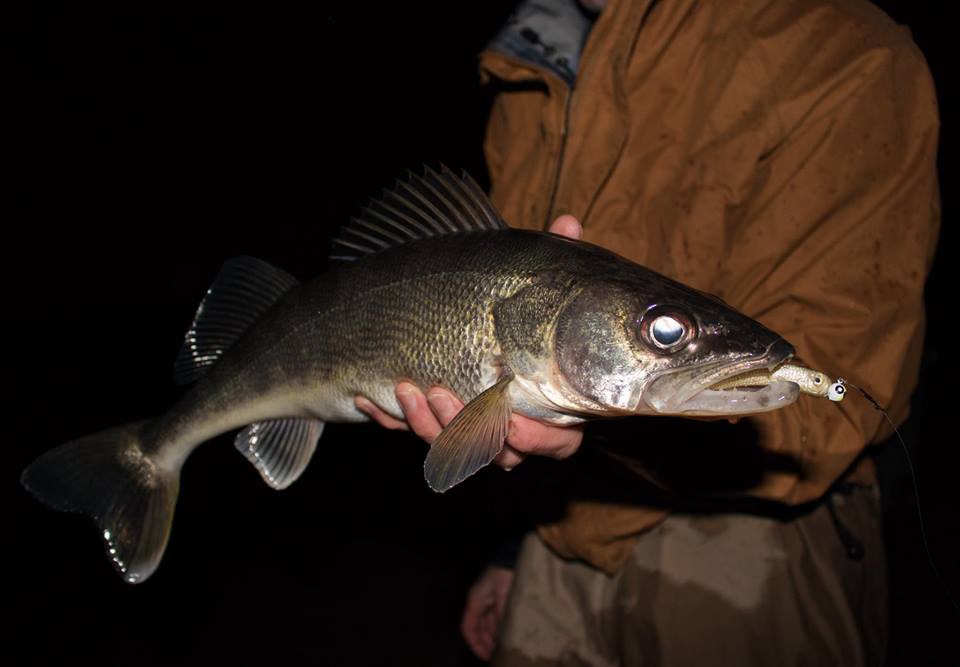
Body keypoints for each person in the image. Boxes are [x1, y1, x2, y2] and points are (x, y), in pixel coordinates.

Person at [358, 0, 940, 664]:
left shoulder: (843, 49)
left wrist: (590, 429)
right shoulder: (532, 54)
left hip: (755, 557)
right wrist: (518, 546)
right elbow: (521, 338)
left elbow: (824, 414)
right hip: (561, 537)